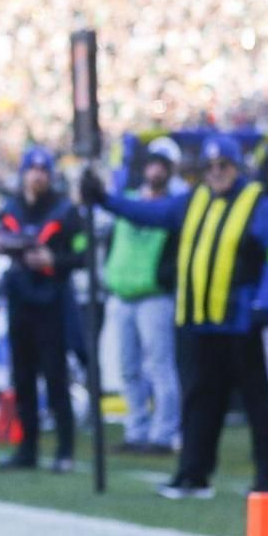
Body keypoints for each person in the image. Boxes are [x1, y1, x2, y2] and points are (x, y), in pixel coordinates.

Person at [82, 135, 268, 496]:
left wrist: (264, 303)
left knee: (260, 403)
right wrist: (105, 201)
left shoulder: (257, 203)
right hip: (199, 320)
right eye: (209, 167)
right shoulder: (194, 201)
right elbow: (149, 214)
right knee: (199, 400)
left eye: (222, 165)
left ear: (235, 166)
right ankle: (194, 473)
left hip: (243, 320)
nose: (216, 173)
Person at [0, 146, 88, 473]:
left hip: (52, 299)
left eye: (43, 170)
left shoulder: (65, 211)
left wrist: (53, 260)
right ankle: (27, 448)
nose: (37, 175)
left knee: (55, 377)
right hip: (19, 297)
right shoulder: (12, 207)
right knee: (23, 377)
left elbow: (83, 253)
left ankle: (64, 450)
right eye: (32, 169)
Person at [105, 137, 182, 455]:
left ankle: (164, 434)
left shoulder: (173, 206)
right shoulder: (128, 199)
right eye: (151, 163)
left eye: (161, 165)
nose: (154, 170)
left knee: (160, 366)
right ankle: (136, 429)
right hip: (123, 294)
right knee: (128, 367)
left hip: (154, 296)